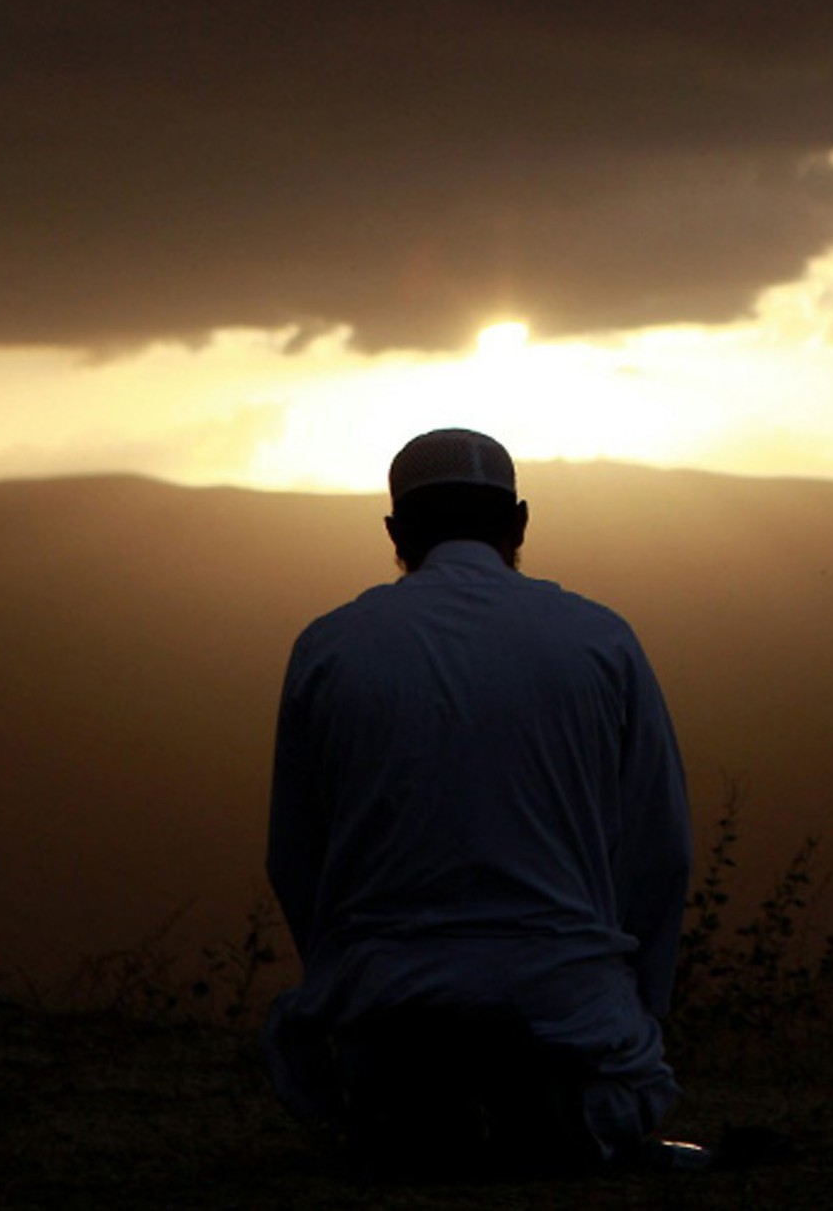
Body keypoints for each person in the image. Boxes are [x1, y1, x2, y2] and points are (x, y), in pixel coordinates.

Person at [262, 427, 700, 1178]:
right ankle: (557, 1108)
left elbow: (295, 856)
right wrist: (635, 1008)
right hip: (570, 1006)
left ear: (396, 533)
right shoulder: (601, 640)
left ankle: (411, 1101)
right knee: (609, 1093)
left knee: (354, 1081)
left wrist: (349, 976)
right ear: (520, 522)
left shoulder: (330, 646)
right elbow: (661, 848)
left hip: (385, 1004)